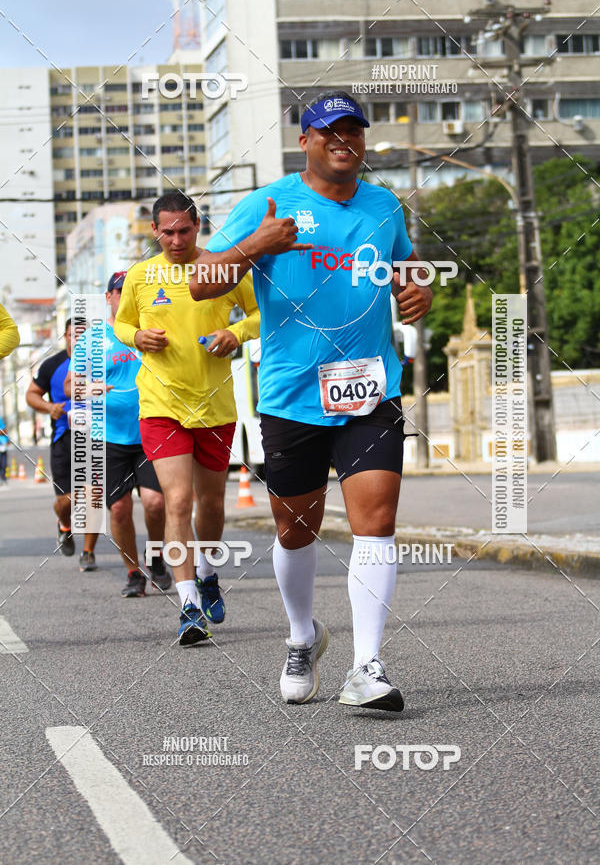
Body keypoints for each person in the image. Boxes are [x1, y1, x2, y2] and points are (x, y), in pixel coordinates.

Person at [190, 91, 433, 711]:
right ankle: (302, 636)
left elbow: (408, 268)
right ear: (306, 140)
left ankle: (367, 667)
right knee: (294, 530)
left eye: (353, 131)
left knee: (375, 523)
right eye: (330, 132)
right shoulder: (269, 203)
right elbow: (200, 282)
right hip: (292, 393)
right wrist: (256, 246)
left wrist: (417, 291)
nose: (343, 141)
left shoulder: (384, 206)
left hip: (371, 389)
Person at [114, 191, 260, 645]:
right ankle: (189, 606)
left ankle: (209, 572)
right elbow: (121, 323)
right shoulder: (141, 274)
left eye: (184, 230)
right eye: (166, 232)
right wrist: (137, 335)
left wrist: (233, 333)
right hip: (161, 404)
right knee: (176, 501)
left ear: (198, 227)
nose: (175, 240)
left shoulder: (222, 267)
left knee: (211, 504)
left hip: (214, 403)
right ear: (154, 231)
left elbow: (260, 315)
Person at [64, 272, 169, 598]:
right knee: (120, 509)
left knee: (155, 502)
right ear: (108, 297)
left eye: (130, 291)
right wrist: (92, 388)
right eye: (119, 291)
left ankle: (156, 559)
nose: (124, 296)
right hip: (107, 437)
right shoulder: (92, 340)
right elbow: (70, 387)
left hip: (151, 429)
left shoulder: (154, 331)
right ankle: (133, 572)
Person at [25, 320, 99, 567]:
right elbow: (31, 394)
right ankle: (64, 524)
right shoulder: (52, 365)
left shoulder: (99, 363)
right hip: (63, 438)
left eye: (83, 335)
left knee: (93, 496)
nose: (77, 340)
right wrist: (49, 407)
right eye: (72, 335)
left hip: (96, 437)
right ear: (65, 336)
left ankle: (88, 552)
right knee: (66, 500)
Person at [0, 415, 9, 486]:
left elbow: (5, 431)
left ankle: (3, 477)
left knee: (3, 463)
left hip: (2, 445)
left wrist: (7, 441)